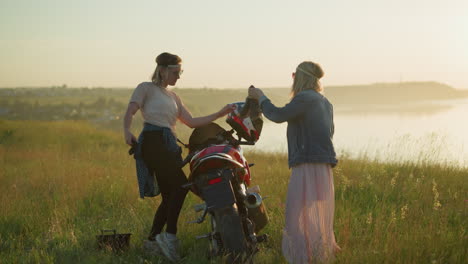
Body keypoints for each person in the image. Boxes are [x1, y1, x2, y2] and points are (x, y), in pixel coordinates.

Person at [123, 52, 234, 262]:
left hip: (169, 144)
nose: (179, 76)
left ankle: (152, 241)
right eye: (176, 72)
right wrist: (127, 131)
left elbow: (191, 122)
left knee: (169, 195)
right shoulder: (145, 88)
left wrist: (220, 113)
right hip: (153, 140)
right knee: (181, 186)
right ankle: (170, 237)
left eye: (180, 72)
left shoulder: (173, 97)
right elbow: (131, 110)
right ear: (162, 70)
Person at [248, 61, 341, 263]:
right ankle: (321, 250)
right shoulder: (325, 102)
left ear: (300, 77)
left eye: (293, 76)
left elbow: (277, 115)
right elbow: (329, 132)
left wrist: (260, 97)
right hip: (323, 163)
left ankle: (302, 256)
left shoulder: (304, 98)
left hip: (307, 162)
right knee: (315, 210)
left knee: (295, 213)